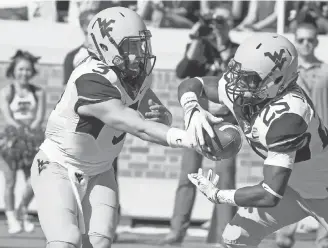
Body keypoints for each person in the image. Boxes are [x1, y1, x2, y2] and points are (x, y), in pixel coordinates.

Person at [31, 7, 203, 248]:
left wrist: (163, 117)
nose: (141, 53)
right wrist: (191, 139)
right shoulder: (90, 79)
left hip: (100, 170)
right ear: (108, 46)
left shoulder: (133, 74)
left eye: (142, 45)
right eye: (133, 46)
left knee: (99, 242)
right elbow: (138, 127)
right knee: (65, 241)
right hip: (58, 165)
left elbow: (150, 116)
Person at [177, 33, 328, 248]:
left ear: (278, 81)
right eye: (238, 73)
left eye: (249, 78)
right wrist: (192, 109)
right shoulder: (245, 86)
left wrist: (219, 195)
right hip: (293, 189)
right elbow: (193, 83)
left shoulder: (288, 115)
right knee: (235, 237)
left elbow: (270, 194)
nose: (238, 84)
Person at [159, 5, 239, 245]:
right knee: (189, 176)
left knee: (226, 179)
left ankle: (225, 235)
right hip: (198, 118)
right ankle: (177, 230)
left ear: (231, 24)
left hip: (226, 121)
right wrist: (196, 38)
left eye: (222, 21)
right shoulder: (201, 46)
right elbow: (183, 71)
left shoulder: (237, 51)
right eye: (214, 21)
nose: (217, 25)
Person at [275, 21, 328, 248]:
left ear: (317, 42)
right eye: (302, 40)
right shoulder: (286, 73)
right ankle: (283, 239)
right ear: (296, 41)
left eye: (310, 40)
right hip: (292, 144)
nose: (306, 45)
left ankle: (325, 242)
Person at [0, 50, 46, 234]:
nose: (24, 73)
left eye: (28, 69)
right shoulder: (6, 91)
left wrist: (30, 132)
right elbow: (8, 117)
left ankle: (23, 210)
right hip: (11, 140)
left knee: (33, 179)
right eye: (20, 69)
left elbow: (40, 116)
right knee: (10, 180)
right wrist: (21, 132)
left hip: (32, 138)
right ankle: (11, 217)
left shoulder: (39, 92)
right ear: (13, 70)